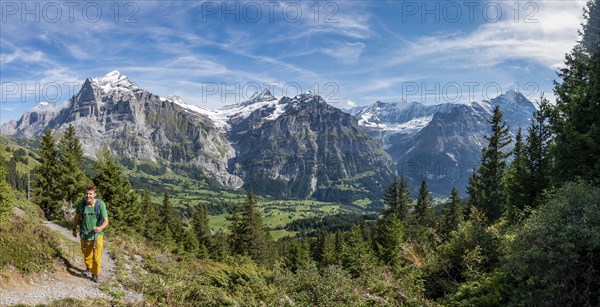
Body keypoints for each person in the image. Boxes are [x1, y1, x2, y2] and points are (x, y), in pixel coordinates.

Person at [72, 183, 109, 283]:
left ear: (95, 194)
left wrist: (100, 228)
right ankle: (89, 267)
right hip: (84, 235)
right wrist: (74, 229)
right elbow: (77, 218)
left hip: (97, 236)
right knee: (86, 255)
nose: (88, 196)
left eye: (90, 194)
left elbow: (106, 221)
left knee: (97, 258)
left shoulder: (100, 205)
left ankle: (95, 274)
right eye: (86, 194)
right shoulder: (81, 204)